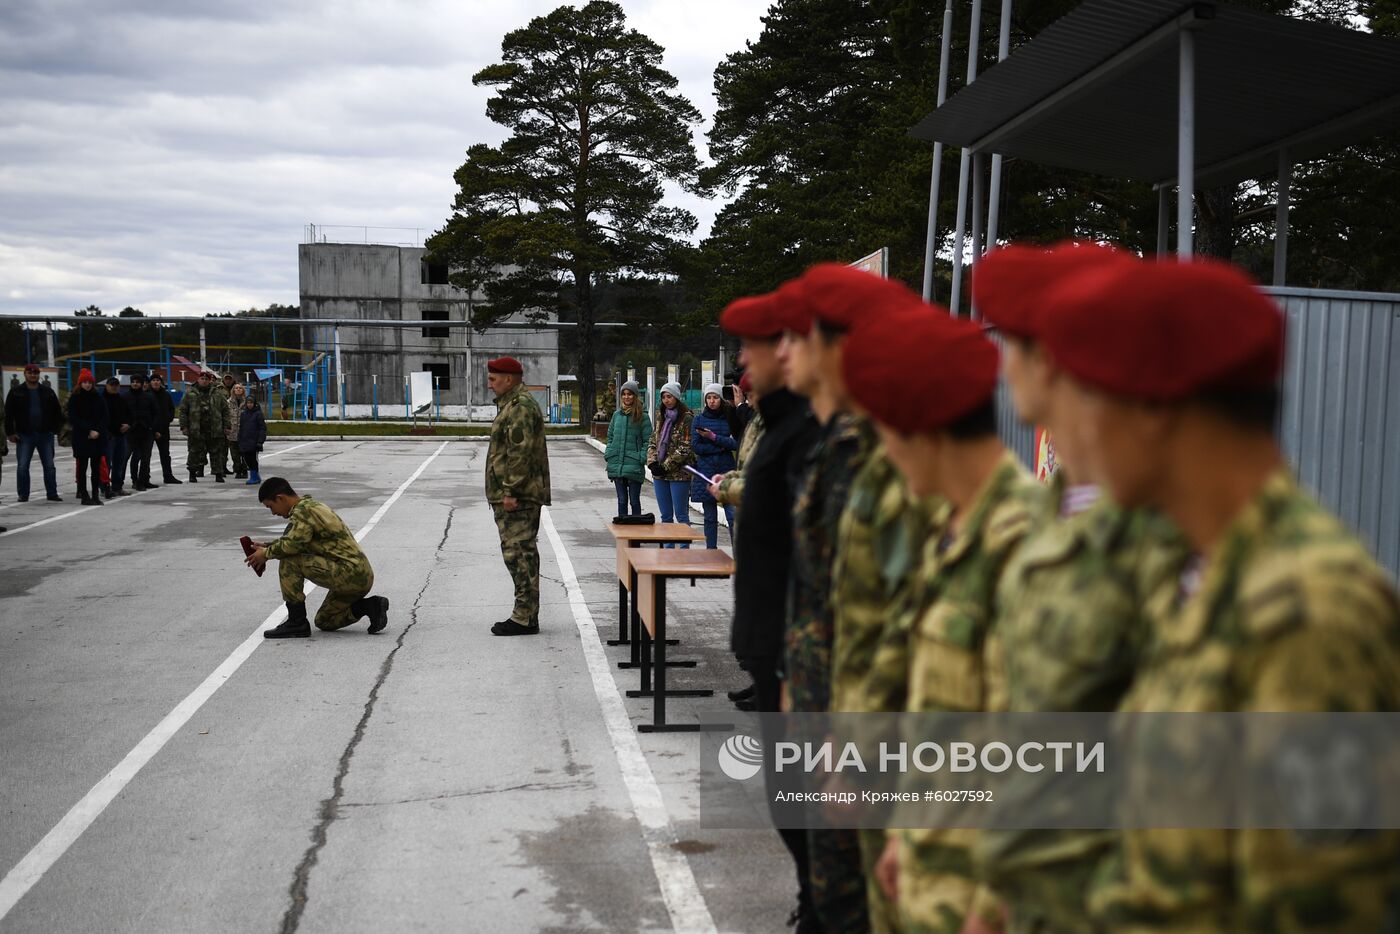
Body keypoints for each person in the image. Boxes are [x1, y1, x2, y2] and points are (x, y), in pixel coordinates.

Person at [1027, 257, 1400, 931]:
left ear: (1153, 408)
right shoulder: (1199, 572)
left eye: (1086, 396)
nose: (1073, 428)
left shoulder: (1309, 613)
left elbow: (1319, 908)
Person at [966, 243, 1189, 934]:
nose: (1004, 365)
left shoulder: (1170, 536)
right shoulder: (1047, 513)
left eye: (1014, 343)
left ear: (1055, 358)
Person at [844, 308, 1043, 934]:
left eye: (887, 432)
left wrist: (993, 904)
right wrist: (904, 836)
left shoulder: (1025, 541)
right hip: (928, 864)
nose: (884, 452)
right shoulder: (955, 527)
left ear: (925, 428)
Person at [721, 289, 820, 931]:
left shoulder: (811, 435)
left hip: (796, 653)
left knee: (806, 801)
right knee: (791, 802)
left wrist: (788, 657)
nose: (744, 363)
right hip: (772, 648)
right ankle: (816, 896)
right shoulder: (780, 427)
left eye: (753, 348)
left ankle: (823, 904)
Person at [246, 476, 389, 638]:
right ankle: (370, 606)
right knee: (324, 621)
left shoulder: (303, 512)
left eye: (271, 507)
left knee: (290, 560)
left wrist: (266, 554)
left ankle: (296, 622)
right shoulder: (310, 506)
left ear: (280, 498)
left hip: (350, 574)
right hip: (358, 575)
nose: (273, 513)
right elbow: (300, 541)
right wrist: (267, 547)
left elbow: (293, 545)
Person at [485, 356, 551, 636]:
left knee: (519, 555)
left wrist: (510, 490)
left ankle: (524, 617)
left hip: (519, 497)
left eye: (493, 379)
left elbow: (520, 453)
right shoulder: (513, 405)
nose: (490, 384)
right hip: (515, 494)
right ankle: (526, 615)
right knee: (519, 554)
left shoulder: (520, 406)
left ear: (509, 379)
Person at [4, 362, 64, 502]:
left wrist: (55, 429)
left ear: (39, 375)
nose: (33, 375)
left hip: (45, 434)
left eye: (35, 373)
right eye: (30, 373)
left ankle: (52, 493)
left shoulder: (48, 392)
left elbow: (57, 411)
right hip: (24, 434)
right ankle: (23, 494)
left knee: (49, 466)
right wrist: (10, 432)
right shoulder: (16, 392)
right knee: (23, 466)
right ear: (25, 374)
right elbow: (9, 414)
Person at [689, 383, 738, 548]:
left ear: (721, 399)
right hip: (706, 471)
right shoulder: (699, 419)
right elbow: (696, 446)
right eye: (709, 398)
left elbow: (735, 444)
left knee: (732, 516)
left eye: (715, 397)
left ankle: (738, 553)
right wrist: (720, 446)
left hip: (726, 471)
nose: (712, 401)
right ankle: (711, 551)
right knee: (710, 517)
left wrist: (713, 437)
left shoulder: (730, 418)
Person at [645, 382, 695, 541]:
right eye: (664, 397)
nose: (666, 400)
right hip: (659, 474)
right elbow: (653, 440)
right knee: (666, 516)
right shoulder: (661, 416)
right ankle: (667, 549)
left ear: (677, 398)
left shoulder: (687, 418)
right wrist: (652, 462)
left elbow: (686, 446)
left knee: (681, 515)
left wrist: (666, 465)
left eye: (669, 396)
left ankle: (684, 549)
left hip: (679, 474)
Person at [604, 380, 650, 517]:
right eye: (623, 394)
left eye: (629, 394)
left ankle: (636, 528)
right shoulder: (616, 415)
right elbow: (610, 436)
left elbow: (648, 440)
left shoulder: (643, 416)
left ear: (635, 396)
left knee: (634, 501)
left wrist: (641, 457)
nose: (626, 397)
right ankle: (622, 528)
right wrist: (609, 453)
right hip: (617, 464)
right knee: (622, 501)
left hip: (634, 464)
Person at [66, 369, 107, 506]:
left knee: (96, 468)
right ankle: (84, 494)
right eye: (85, 382)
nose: (87, 385)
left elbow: (104, 416)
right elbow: (73, 417)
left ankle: (95, 494)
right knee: (82, 468)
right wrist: (89, 430)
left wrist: (97, 431)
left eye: (89, 382)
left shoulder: (98, 397)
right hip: (81, 437)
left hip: (97, 437)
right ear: (80, 383)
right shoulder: (75, 398)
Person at [179, 370, 230, 482]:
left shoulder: (217, 393)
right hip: (196, 429)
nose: (204, 381)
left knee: (216, 452)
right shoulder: (190, 393)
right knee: (194, 452)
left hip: (214, 428)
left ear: (209, 381)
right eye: (202, 379)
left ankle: (218, 474)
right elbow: (183, 411)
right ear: (198, 379)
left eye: (206, 379)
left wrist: (227, 426)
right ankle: (192, 473)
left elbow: (225, 410)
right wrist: (184, 426)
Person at [125, 372, 158, 490]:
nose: (135, 384)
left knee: (145, 458)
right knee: (130, 457)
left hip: (146, 431)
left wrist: (151, 427)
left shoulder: (149, 397)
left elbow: (155, 413)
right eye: (133, 382)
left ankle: (142, 481)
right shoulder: (125, 397)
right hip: (130, 432)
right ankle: (132, 480)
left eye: (137, 382)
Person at [148, 373, 182, 484]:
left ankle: (168, 476)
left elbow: (171, 410)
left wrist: (167, 421)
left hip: (163, 429)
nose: (156, 382)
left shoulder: (166, 395)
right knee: (145, 455)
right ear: (150, 382)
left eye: (158, 380)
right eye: (153, 380)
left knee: (165, 455)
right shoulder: (147, 395)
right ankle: (144, 478)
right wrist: (154, 429)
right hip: (149, 430)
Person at [101, 377, 133, 497]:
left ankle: (117, 487)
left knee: (119, 463)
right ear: (107, 386)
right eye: (112, 385)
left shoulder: (121, 399)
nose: (114, 387)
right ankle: (104, 487)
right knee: (106, 464)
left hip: (121, 435)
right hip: (108, 436)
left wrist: (128, 424)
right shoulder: (102, 400)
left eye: (116, 385)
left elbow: (130, 415)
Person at [238, 394, 267, 485]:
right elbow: (241, 428)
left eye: (251, 403)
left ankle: (254, 476)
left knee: (253, 460)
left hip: (254, 441)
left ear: (254, 404)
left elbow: (262, 428)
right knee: (246, 459)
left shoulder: (258, 414)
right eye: (248, 403)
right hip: (245, 441)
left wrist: (260, 441)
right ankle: (255, 476)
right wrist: (240, 439)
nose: (249, 404)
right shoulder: (244, 414)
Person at [226, 381, 248, 478]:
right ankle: (238, 470)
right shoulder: (228, 402)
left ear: (243, 390)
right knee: (234, 454)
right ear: (233, 390)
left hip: (244, 432)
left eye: (240, 388)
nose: (238, 389)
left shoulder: (247, 402)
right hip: (232, 432)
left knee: (245, 453)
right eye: (236, 388)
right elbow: (225, 416)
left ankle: (245, 470)